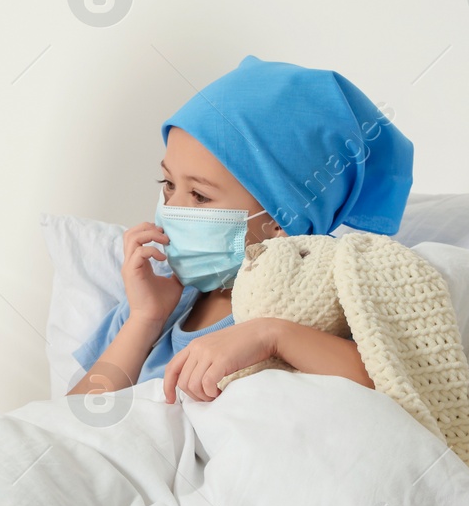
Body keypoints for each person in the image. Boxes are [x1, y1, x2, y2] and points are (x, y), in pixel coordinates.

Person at [67, 55, 414, 406]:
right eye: (168, 183)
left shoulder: (314, 302)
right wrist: (145, 319)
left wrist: (273, 336)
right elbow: (72, 420)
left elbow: (394, 387)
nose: (171, 209)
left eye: (200, 195)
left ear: (281, 220)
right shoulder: (157, 299)